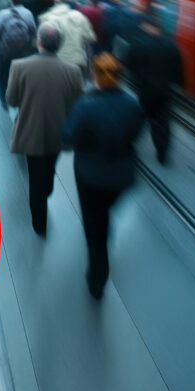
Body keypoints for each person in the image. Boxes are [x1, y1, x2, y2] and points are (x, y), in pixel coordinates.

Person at [62, 53, 143, 298]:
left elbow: (67, 136)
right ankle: (104, 228)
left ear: (95, 76)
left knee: (92, 223)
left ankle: (98, 276)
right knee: (104, 213)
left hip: (90, 175)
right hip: (121, 176)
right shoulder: (132, 103)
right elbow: (136, 133)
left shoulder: (86, 104)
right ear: (120, 77)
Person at [6, 23, 83, 236]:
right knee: (49, 169)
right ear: (59, 45)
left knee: (35, 177)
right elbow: (78, 104)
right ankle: (47, 187)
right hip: (59, 133)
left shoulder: (19, 66)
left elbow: (11, 100)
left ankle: (39, 223)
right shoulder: (73, 71)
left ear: (38, 42)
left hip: (30, 132)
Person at [126, 15, 183, 163]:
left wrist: (136, 79)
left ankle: (129, 143)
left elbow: (129, 65)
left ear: (148, 26)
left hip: (145, 90)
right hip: (165, 91)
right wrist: (179, 85)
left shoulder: (138, 44)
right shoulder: (171, 45)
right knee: (163, 123)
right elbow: (179, 70)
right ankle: (162, 153)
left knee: (140, 118)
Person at [0, 0, 37, 108]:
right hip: (23, 53)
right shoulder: (28, 13)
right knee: (20, 76)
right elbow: (33, 33)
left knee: (2, 76)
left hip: (5, 52)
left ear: (11, 1)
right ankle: (19, 98)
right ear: (22, 0)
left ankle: (4, 100)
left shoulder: (3, 13)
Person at [39, 0, 96, 77]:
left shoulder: (52, 19)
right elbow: (90, 39)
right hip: (75, 60)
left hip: (59, 59)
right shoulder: (80, 20)